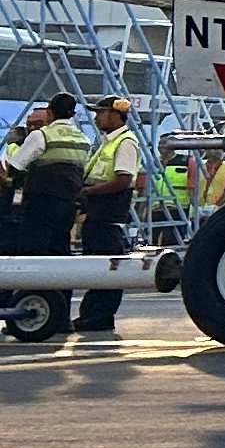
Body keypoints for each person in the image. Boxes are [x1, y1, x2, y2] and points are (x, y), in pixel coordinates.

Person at [72, 101, 141, 332]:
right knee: (96, 267)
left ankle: (99, 316)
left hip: (108, 216)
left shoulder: (125, 143)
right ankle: (92, 315)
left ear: (116, 115)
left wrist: (88, 191)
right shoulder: (107, 143)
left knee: (107, 269)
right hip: (97, 216)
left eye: (101, 113)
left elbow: (122, 180)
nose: (96, 118)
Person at [8, 98, 90, 256]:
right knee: (59, 247)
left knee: (33, 248)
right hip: (69, 203)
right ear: (72, 114)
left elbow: (16, 166)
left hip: (41, 202)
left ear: (50, 112)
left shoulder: (41, 135)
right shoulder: (83, 139)